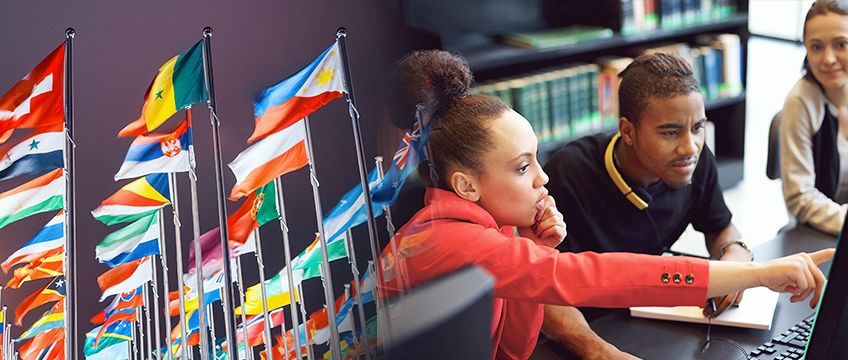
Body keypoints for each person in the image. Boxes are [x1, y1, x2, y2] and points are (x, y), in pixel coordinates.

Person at [377, 49, 833, 360]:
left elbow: (511, 350)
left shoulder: (484, 230)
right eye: (522, 167)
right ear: (467, 185)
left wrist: (536, 249)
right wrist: (760, 274)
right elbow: (595, 275)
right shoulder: (451, 240)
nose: (543, 176)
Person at [541, 53, 750, 359]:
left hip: (650, 318)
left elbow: (719, 226)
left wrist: (736, 254)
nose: (690, 147)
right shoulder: (569, 173)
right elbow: (543, 289)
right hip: (587, 329)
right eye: (670, 132)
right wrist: (597, 351)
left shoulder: (695, 162)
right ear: (627, 131)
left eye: (697, 128)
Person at [781, 0, 848, 236]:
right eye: (817, 47)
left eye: (841, 44)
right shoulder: (801, 102)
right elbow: (800, 197)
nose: (828, 59)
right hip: (822, 235)